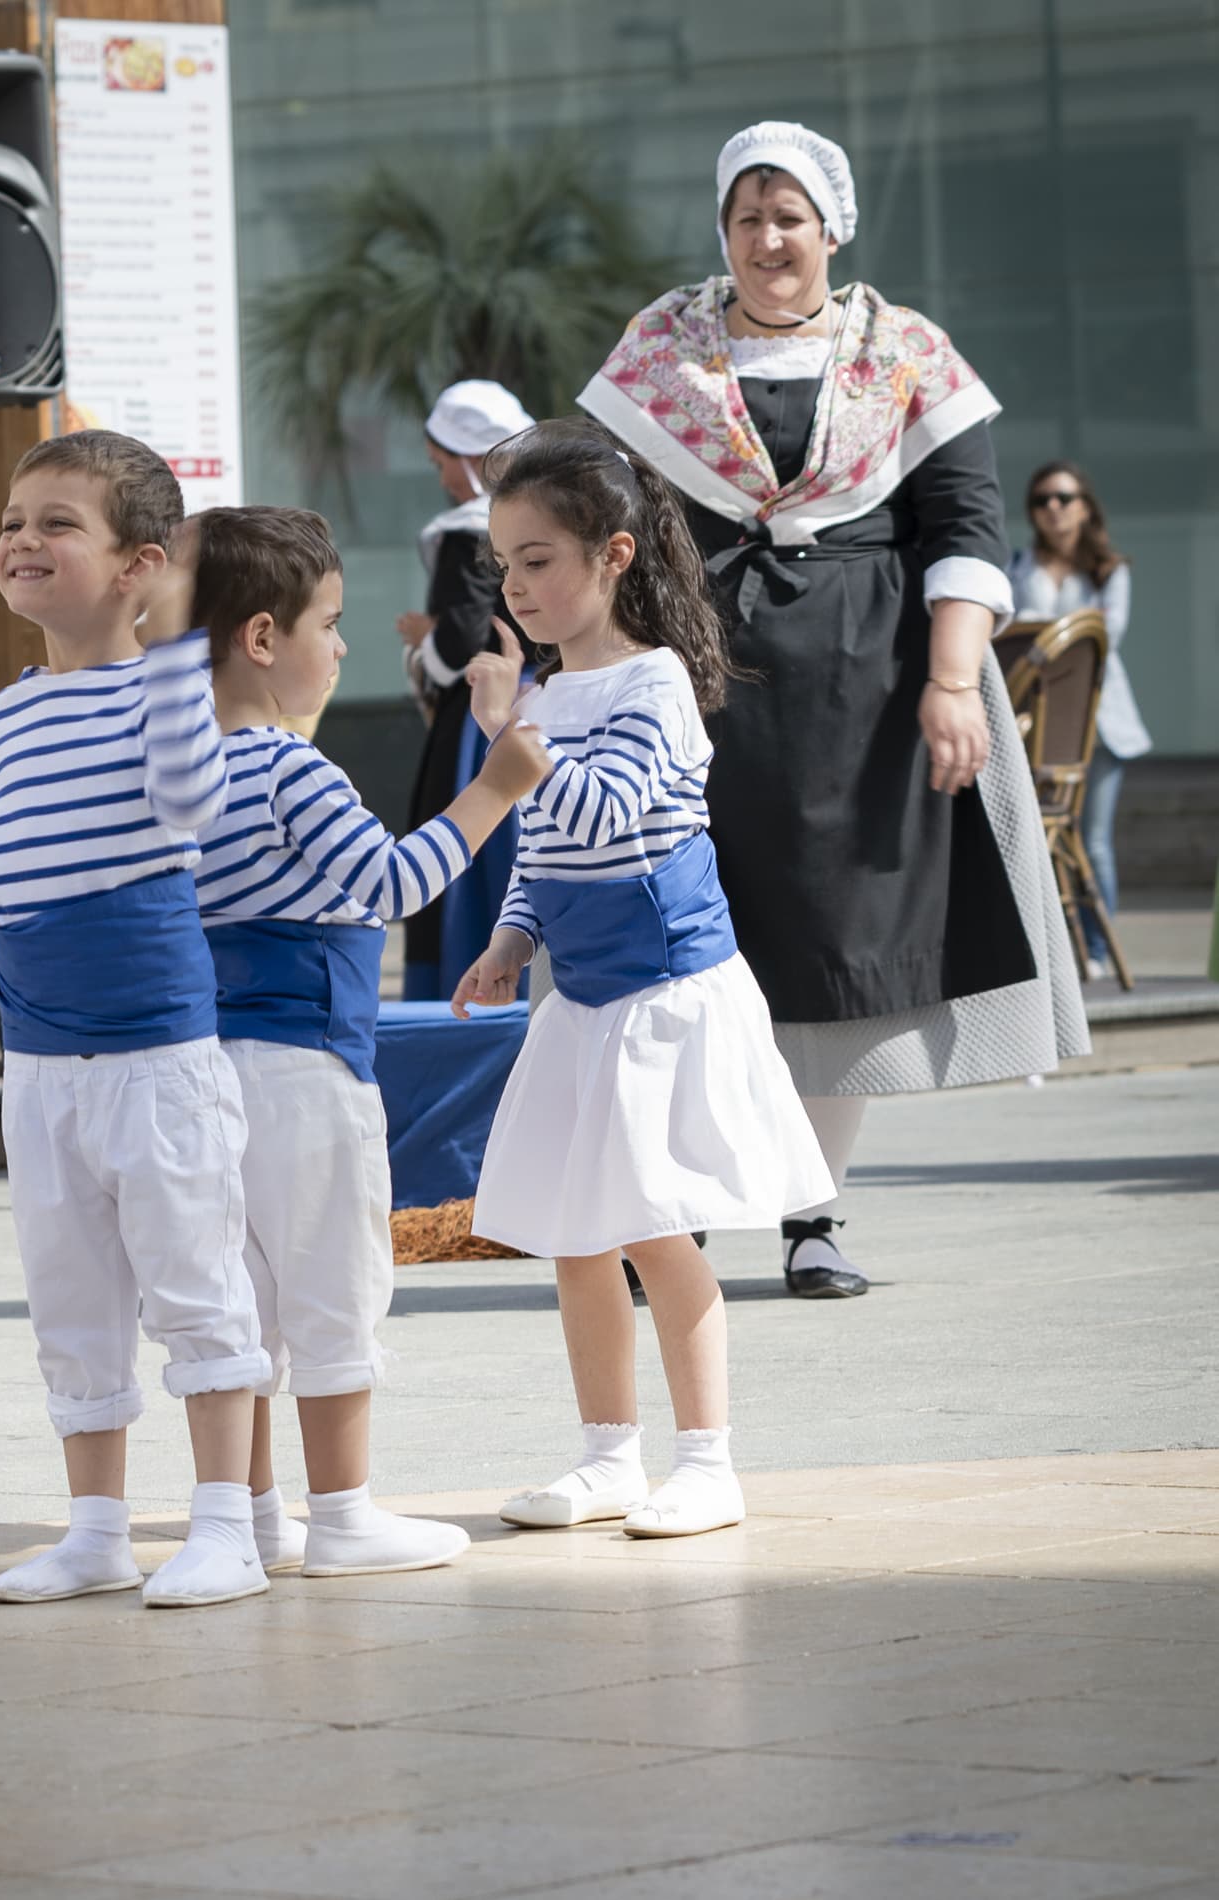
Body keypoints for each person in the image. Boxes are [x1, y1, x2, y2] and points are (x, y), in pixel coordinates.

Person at [577, 121, 1087, 1298]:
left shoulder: (907, 353)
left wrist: (953, 684)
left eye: (788, 217)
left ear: (832, 228)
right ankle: (682, 1218)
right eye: (746, 217)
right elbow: (598, 512)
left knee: (839, 955)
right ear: (723, 230)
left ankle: (812, 1215)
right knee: (698, 951)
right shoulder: (661, 348)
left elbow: (964, 527)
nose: (766, 239)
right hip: (699, 679)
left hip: (872, 687)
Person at [0, 431, 276, 1611]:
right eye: (13, 520)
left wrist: (184, 652)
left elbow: (195, 799)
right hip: (41, 1069)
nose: (22, 540)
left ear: (140, 566)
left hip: (155, 1060)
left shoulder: (164, 686)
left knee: (196, 1285)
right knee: (71, 1299)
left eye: (58, 523)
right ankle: (94, 1529)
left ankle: (227, 1525)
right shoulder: (16, 709)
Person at [453, 419, 833, 1538]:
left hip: (664, 999)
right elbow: (543, 850)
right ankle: (607, 1453)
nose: (517, 587)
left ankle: (706, 1460)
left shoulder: (654, 684)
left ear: (613, 555)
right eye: (504, 565)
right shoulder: (542, 696)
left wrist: (506, 743)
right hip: (583, 1003)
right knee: (577, 1233)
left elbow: (607, 818)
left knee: (656, 1227)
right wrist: (513, 938)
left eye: (538, 560)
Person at [190, 505, 550, 1575]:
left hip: (203, 1070)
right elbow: (391, 882)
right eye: (331, 622)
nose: (345, 646)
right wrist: (494, 789)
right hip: (305, 1068)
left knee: (240, 1298)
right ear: (264, 639)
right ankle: (342, 1512)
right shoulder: (289, 767)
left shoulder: (173, 769)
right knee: (334, 1285)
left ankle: (254, 1514)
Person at [399, 379, 537, 1000]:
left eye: (443, 464)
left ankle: (469, 989)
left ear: (470, 457)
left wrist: (429, 640)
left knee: (476, 861)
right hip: (535, 703)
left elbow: (459, 643)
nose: (445, 481)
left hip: (482, 717)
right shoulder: (542, 515)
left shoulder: (469, 531)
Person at [1008, 461, 1148, 975]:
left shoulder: (1110, 570)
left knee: (1091, 841)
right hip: (1034, 724)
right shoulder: (1017, 564)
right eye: (1042, 499)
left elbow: (1105, 641)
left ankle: (1096, 949)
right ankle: (1053, 952)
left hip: (1099, 724)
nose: (1052, 508)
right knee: (1039, 838)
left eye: (1064, 498)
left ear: (1085, 506)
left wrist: (1043, 636)